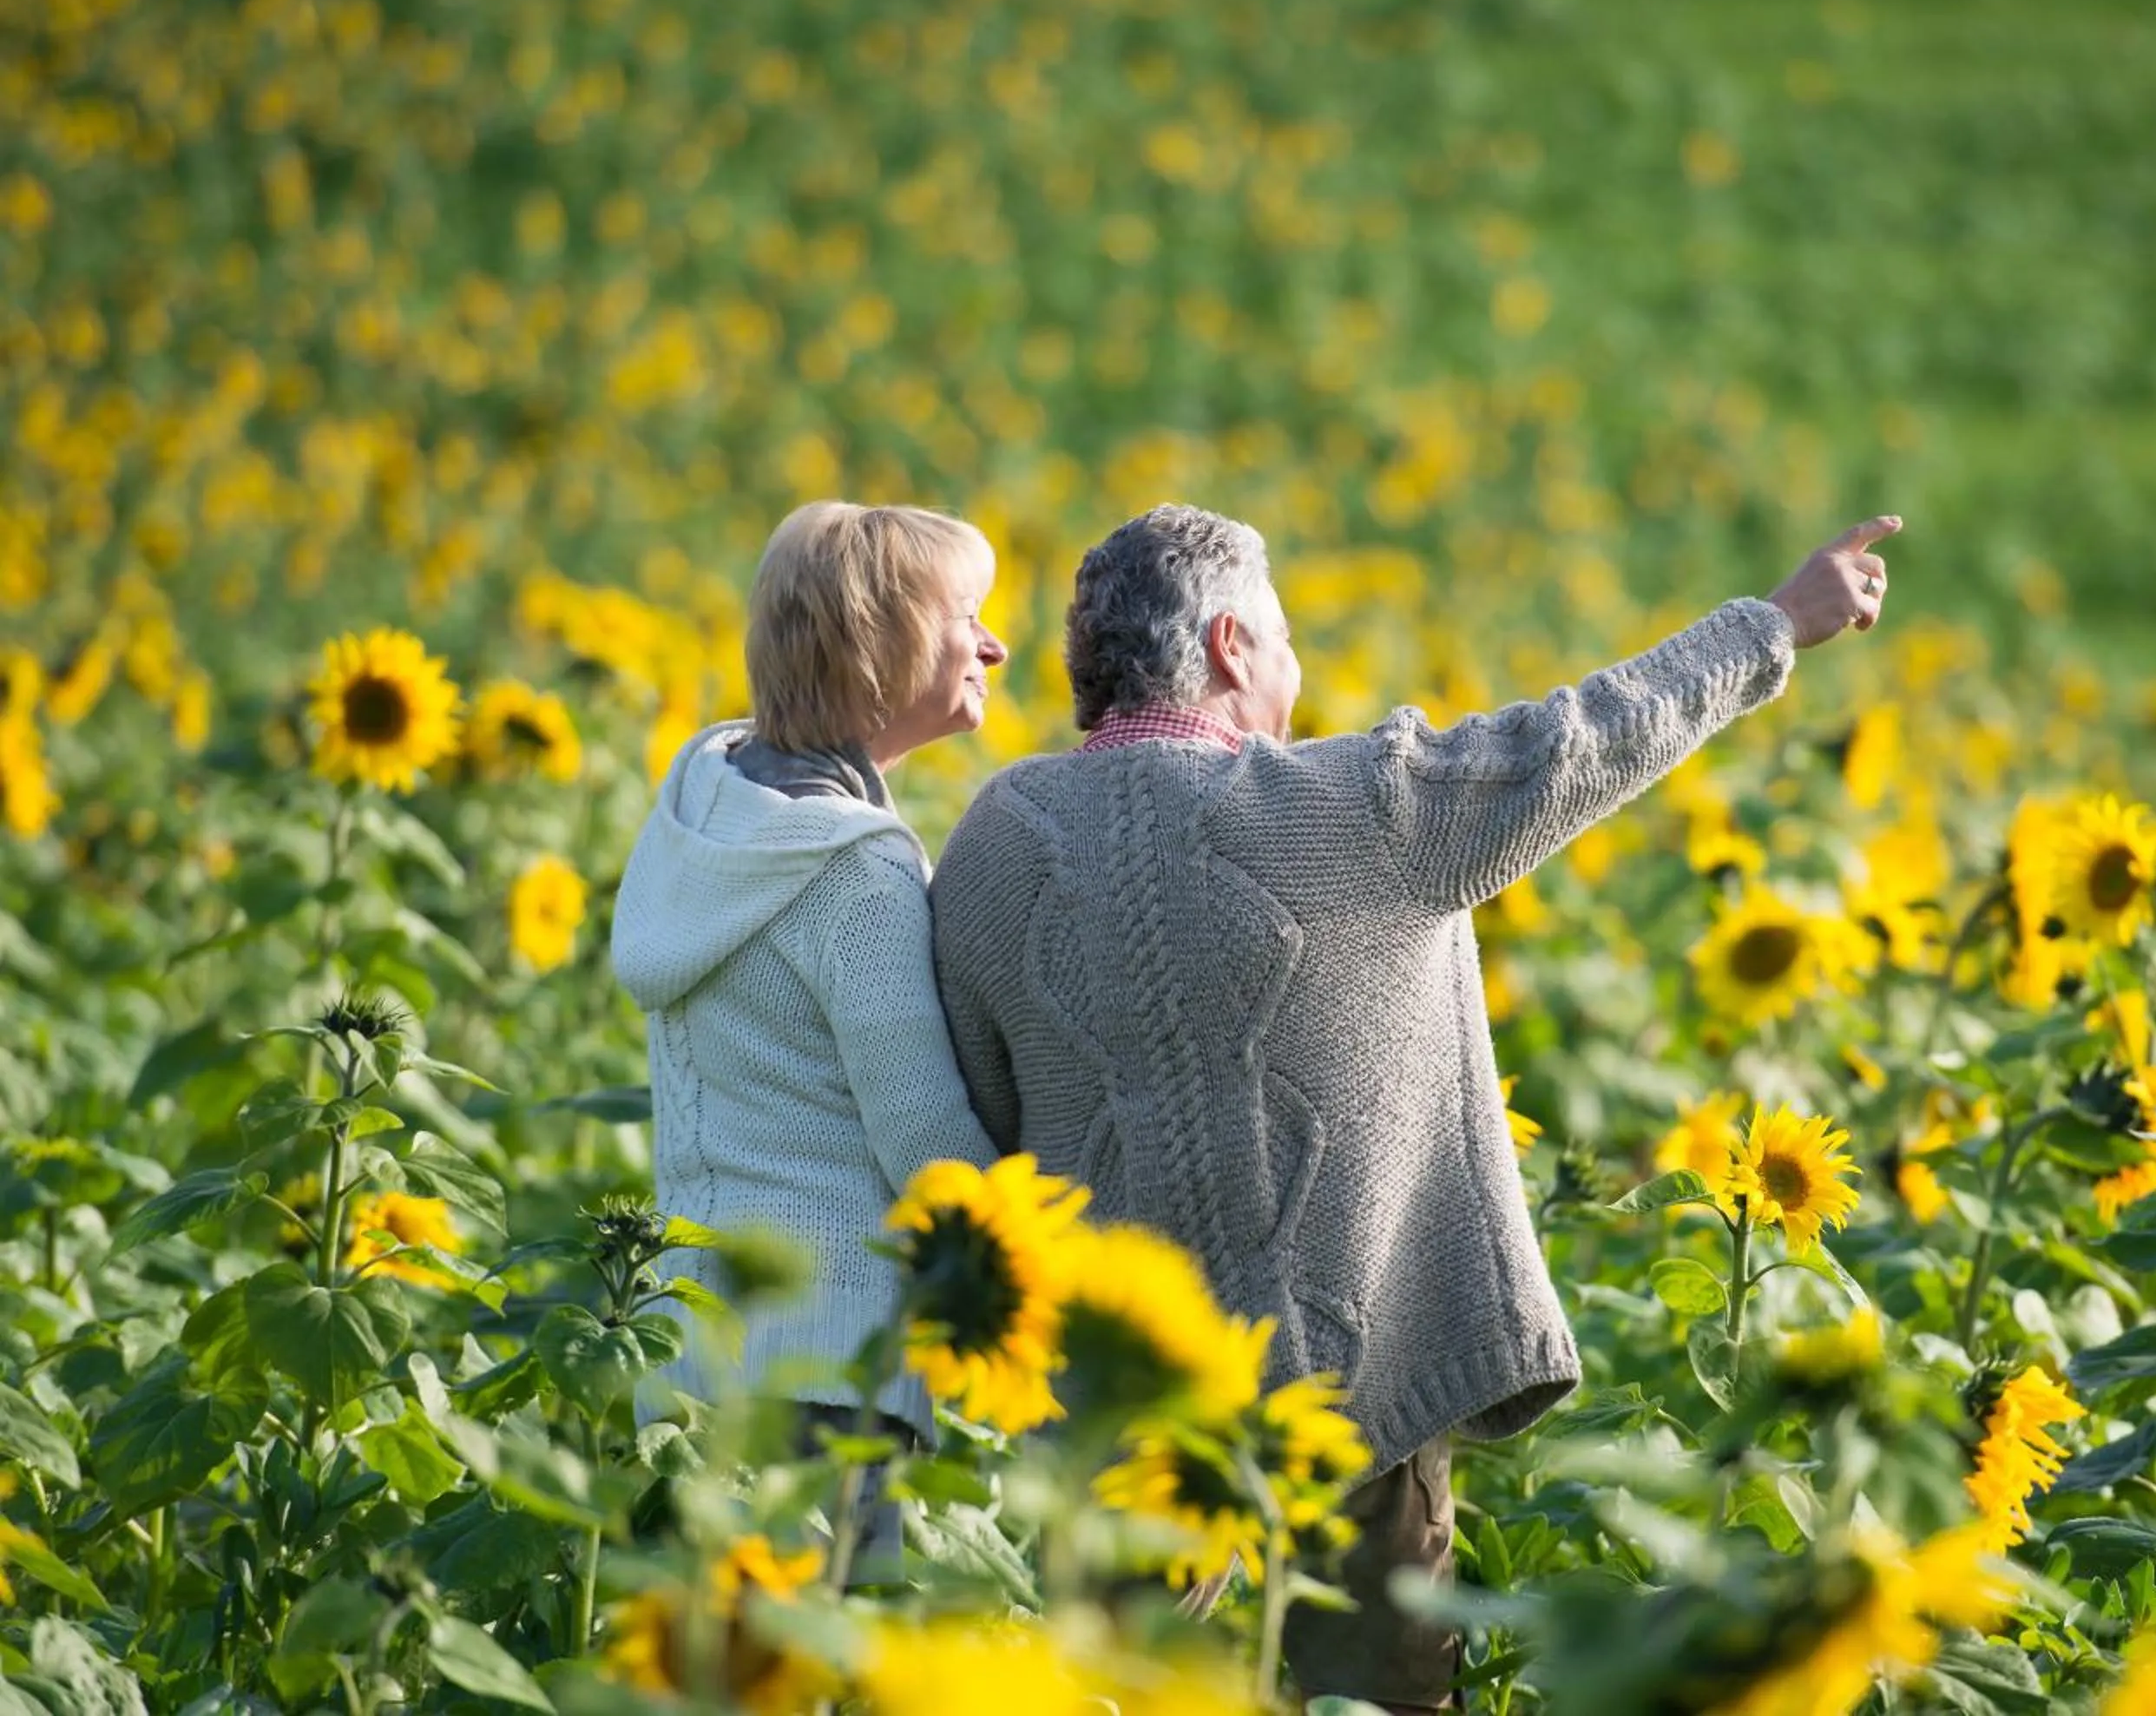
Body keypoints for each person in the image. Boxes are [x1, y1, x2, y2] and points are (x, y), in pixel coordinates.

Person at [927, 502, 1896, 1709]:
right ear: (1230, 646)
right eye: (1281, 641)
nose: (1294, 670)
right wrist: (1776, 626)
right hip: (1358, 1388)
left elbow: (973, 1116)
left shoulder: (987, 851)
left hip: (1122, 1422)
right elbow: (1583, 738)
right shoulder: (1362, 810)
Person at [610, 500, 1009, 1568]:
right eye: (963, 613)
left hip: (691, 1355)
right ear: (875, 644)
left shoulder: (701, 803)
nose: (994, 643)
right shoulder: (853, 870)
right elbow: (925, 1143)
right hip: (831, 1369)